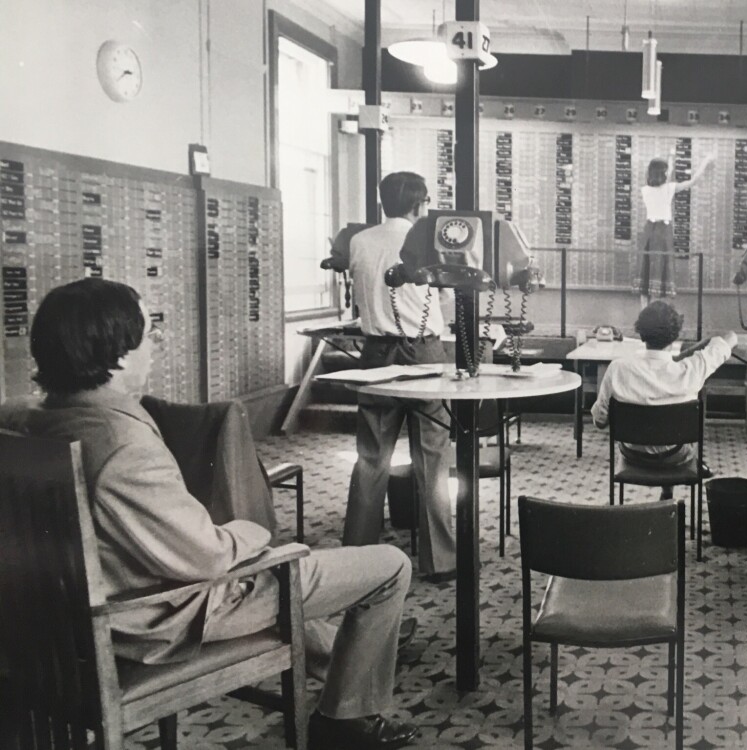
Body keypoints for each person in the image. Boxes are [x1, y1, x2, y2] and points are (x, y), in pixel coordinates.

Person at [11, 279, 418, 748]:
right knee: (386, 566)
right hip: (157, 620)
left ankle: (337, 649)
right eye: (150, 334)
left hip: (63, 616)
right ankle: (344, 718)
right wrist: (253, 533)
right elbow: (207, 558)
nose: (156, 347)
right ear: (119, 357)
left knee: (282, 576)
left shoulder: (27, 423)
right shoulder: (124, 449)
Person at [345, 171, 456, 583]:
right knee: (432, 458)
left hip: (375, 355)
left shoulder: (359, 241)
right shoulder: (427, 241)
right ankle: (440, 561)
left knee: (371, 457)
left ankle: (355, 557)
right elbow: (444, 294)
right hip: (423, 351)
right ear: (418, 205)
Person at [591, 301, 736, 499]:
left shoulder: (618, 368)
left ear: (641, 332)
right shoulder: (691, 369)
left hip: (633, 454)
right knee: (677, 438)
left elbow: (599, 421)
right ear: (675, 335)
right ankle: (668, 491)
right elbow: (729, 338)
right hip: (674, 456)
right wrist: (708, 342)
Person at [632, 154, 713, 308]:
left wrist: (671, 158)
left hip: (648, 231)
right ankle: (654, 318)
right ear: (663, 173)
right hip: (663, 232)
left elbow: (665, 177)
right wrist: (706, 161)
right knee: (658, 273)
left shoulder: (645, 190)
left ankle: (644, 317)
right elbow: (693, 181)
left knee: (646, 276)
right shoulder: (669, 188)